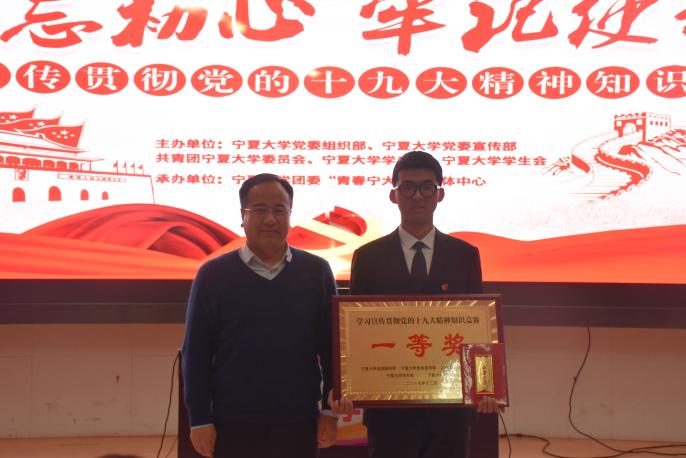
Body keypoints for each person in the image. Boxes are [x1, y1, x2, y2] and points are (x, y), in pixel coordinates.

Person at [182, 173, 348, 458]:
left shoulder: (317, 271)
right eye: (259, 210)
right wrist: (199, 420)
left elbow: (332, 348)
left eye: (279, 210)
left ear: (290, 216)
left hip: (299, 421)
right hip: (231, 422)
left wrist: (329, 412)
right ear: (242, 216)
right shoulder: (212, 275)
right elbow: (195, 354)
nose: (270, 219)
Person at [350, 151, 501, 458]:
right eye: (407, 187)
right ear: (394, 195)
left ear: (440, 194)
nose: (417, 196)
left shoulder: (465, 255)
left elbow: (476, 326)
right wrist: (348, 385)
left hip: (450, 407)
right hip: (389, 408)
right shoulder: (367, 257)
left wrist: (485, 385)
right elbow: (355, 333)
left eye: (426, 187)